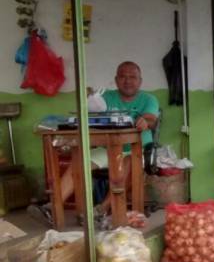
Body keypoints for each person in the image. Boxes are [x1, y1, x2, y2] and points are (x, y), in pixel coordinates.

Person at [30, 61, 159, 225]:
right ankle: (51, 207)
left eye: (132, 77)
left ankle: (101, 210)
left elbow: (152, 119)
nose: (127, 81)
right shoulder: (105, 97)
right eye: (123, 77)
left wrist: (144, 121)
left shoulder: (148, 99)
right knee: (79, 162)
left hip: (137, 149)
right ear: (116, 79)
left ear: (140, 81)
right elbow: (91, 115)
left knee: (126, 163)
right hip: (108, 149)